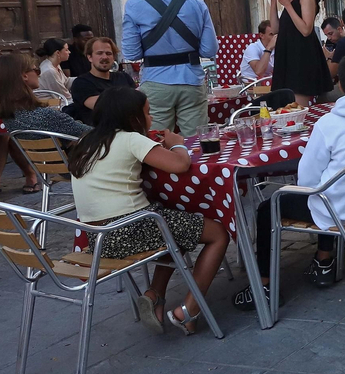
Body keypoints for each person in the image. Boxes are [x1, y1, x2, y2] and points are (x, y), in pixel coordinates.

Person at [233, 53, 345, 311]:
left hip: (340, 206)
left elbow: (307, 180)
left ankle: (263, 286)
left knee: (270, 208)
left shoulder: (329, 123)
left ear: (340, 85)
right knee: (327, 186)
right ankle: (323, 261)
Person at [65, 86, 229, 334]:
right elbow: (180, 165)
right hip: (131, 228)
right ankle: (188, 310)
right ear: (133, 118)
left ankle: (155, 296)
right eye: (148, 113)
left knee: (173, 224)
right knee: (217, 233)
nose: (151, 119)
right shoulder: (131, 138)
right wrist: (177, 144)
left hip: (98, 237)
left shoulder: (85, 141)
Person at [121, 0, 218, 135]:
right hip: (191, 80)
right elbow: (209, 50)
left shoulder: (134, 5)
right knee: (197, 141)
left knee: (157, 141)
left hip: (156, 81)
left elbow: (131, 53)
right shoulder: (196, 3)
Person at [266, 0, 332, 106]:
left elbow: (306, 29)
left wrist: (288, 6)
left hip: (301, 55)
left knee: (298, 105)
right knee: (285, 104)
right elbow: (275, 29)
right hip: (287, 54)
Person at [0, 52, 90, 140]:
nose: (39, 74)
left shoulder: (6, 116)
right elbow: (91, 133)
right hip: (70, 159)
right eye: (36, 70)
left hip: (37, 160)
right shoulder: (45, 116)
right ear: (24, 76)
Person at [69, 37, 135, 125]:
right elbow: (103, 106)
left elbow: (138, 102)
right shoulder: (81, 83)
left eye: (108, 53)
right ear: (90, 57)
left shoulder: (124, 77)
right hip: (102, 134)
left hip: (130, 129)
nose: (104, 57)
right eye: (99, 53)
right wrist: (129, 98)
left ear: (113, 57)